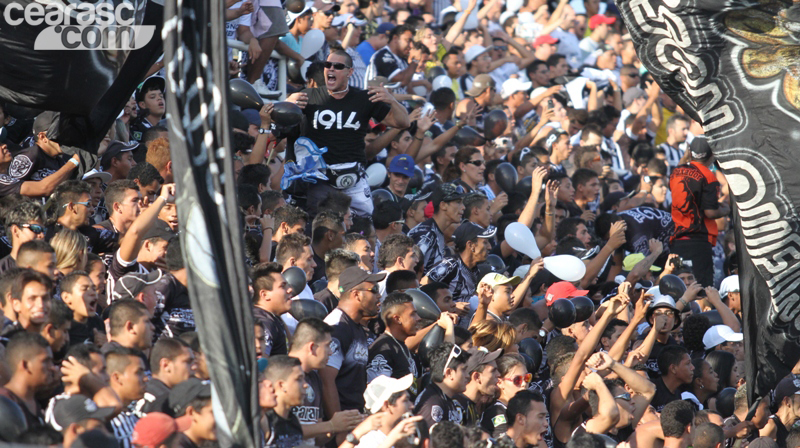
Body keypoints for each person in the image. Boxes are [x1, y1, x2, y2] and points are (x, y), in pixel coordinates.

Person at [293, 49, 410, 217]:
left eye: (338, 66)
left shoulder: (364, 98)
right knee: (323, 225)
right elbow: (284, 113)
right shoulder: (309, 96)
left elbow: (403, 122)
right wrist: (289, 102)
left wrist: (392, 100)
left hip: (353, 178)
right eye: (328, 65)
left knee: (366, 225)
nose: (331, 69)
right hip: (320, 178)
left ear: (350, 72)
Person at [321, 267, 385, 416]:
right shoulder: (337, 327)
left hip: (353, 417)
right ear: (356, 294)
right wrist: (338, 425)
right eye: (374, 289)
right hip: (340, 423)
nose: (379, 295)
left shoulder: (355, 326)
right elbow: (326, 380)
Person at [287, 318, 362, 445]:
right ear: (312, 347)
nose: (331, 352)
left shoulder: (315, 378)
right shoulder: (281, 374)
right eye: (327, 345)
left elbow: (317, 439)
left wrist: (343, 424)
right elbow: (281, 430)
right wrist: (331, 425)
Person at [670, 137, 730, 287]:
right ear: (712, 155)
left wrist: (685, 158)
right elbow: (710, 213)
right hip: (698, 242)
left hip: (676, 240)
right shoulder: (709, 177)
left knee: (679, 283)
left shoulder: (676, 171)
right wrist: (725, 209)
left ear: (690, 153)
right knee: (701, 286)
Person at [424, 221, 494, 305]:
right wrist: (452, 306)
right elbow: (422, 289)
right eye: (485, 242)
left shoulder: (475, 270)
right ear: (471, 245)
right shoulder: (449, 265)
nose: (490, 247)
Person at [0, 332, 58, 427]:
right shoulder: (3, 404)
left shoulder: (33, 401)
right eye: (45, 361)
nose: (52, 367)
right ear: (25, 365)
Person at [367, 292, 421, 391]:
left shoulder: (400, 345)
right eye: (413, 314)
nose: (418, 318)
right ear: (397, 319)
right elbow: (378, 393)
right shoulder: (383, 348)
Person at [414, 342, 470, 428]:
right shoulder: (433, 404)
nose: (467, 376)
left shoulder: (445, 399)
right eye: (463, 370)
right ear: (449, 373)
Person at [135, 338, 195, 416]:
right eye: (188, 362)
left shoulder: (149, 392)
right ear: (165, 365)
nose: (194, 367)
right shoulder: (162, 402)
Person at [106, 345, 148, 448]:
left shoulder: (134, 416)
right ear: (117, 378)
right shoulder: (107, 423)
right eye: (138, 372)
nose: (145, 378)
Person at [358, 374, 415, 447]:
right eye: (405, 400)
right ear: (386, 406)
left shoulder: (401, 439)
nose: (411, 406)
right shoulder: (369, 443)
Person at [481, 354, 530, 437]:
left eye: (527, 377)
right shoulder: (496, 412)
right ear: (500, 383)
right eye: (517, 380)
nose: (524, 384)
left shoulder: (519, 408)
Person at [251, 262, 292, 357]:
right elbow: (260, 363)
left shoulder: (272, 318)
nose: (290, 289)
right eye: (283, 286)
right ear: (264, 294)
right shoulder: (263, 322)